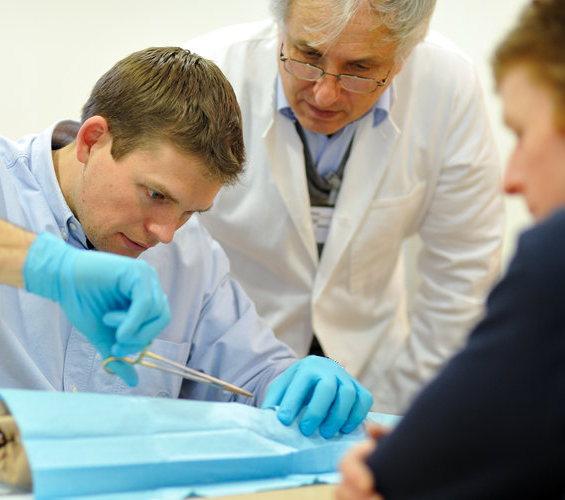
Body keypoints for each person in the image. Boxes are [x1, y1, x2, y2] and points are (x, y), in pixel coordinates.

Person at [0, 47, 373, 490]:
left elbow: (248, 382)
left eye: (189, 210)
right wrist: (44, 265)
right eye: (155, 195)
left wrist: (293, 383)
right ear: (92, 139)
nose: (166, 233)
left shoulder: (189, 252)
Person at [185, 0, 505, 413]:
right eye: (308, 55)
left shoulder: (447, 85)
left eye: (359, 69)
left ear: (403, 57)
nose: (325, 93)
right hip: (229, 370)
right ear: (281, 27)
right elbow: (169, 244)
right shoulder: (212, 72)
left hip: (372, 371)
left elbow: (464, 270)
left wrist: (401, 408)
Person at [336, 0, 565, 497]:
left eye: (524, 134)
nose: (512, 178)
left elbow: (398, 476)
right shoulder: (222, 65)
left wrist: (395, 462)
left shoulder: (555, 259)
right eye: (308, 54)